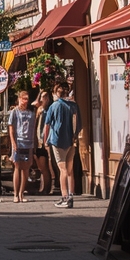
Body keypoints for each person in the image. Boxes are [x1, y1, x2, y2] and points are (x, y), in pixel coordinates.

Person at [45, 78, 80, 209]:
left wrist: (45, 140)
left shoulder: (54, 106)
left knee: (62, 170)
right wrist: (74, 137)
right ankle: (71, 195)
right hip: (71, 140)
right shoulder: (74, 106)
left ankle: (65, 197)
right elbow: (78, 124)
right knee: (70, 170)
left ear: (56, 93)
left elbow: (47, 125)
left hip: (58, 140)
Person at [8, 88, 37, 203]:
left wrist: (34, 144)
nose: (25, 101)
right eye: (23, 99)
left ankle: (21, 193)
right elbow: (11, 129)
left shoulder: (31, 113)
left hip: (28, 142)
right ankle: (15, 194)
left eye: (27, 99)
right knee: (17, 167)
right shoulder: (14, 112)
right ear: (19, 99)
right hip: (18, 141)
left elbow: (33, 129)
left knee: (26, 168)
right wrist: (13, 143)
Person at [32, 88, 53, 197]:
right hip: (38, 141)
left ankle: (47, 188)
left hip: (46, 141)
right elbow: (36, 125)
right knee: (41, 167)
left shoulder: (49, 110)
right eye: (42, 97)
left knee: (45, 167)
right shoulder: (39, 110)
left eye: (46, 97)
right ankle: (43, 187)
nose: (43, 99)